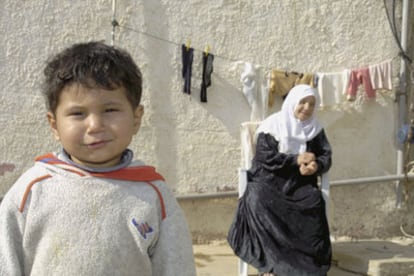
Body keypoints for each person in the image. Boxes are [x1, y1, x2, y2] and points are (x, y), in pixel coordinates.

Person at [0, 41, 196, 276]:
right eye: (77, 114)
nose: (95, 126)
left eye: (110, 110)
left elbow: (177, 267)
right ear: (54, 125)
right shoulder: (31, 191)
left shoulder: (154, 197)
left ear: (136, 118)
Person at [228, 84, 332, 276]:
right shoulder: (273, 125)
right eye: (303, 102)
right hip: (269, 180)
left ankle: (305, 266)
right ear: (293, 102)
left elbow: (325, 155)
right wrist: (296, 159)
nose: (307, 108)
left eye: (311, 104)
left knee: (314, 201)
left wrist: (315, 166)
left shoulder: (316, 129)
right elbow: (264, 157)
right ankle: (269, 265)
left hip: (299, 184)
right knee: (257, 199)